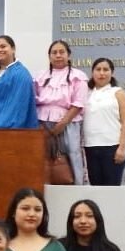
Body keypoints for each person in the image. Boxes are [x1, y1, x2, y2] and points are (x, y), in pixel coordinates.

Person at [35, 40, 89, 184]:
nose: (58, 55)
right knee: (42, 156)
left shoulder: (79, 76)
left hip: (69, 122)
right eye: (54, 53)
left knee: (73, 154)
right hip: (42, 123)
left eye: (62, 52)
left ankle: (77, 188)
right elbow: (33, 99)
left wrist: (62, 124)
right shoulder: (39, 76)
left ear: (69, 55)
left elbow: (78, 103)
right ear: (49, 56)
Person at [83, 57, 125, 186]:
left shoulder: (118, 93)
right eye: (98, 69)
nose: (102, 73)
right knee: (96, 188)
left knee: (112, 188)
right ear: (92, 72)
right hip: (90, 148)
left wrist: (122, 147)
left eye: (106, 69)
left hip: (112, 148)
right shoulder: (86, 94)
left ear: (112, 73)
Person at [0, 35, 38, 129]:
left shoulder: (21, 74)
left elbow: (17, 109)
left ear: (13, 49)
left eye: (3, 46)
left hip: (5, 130)